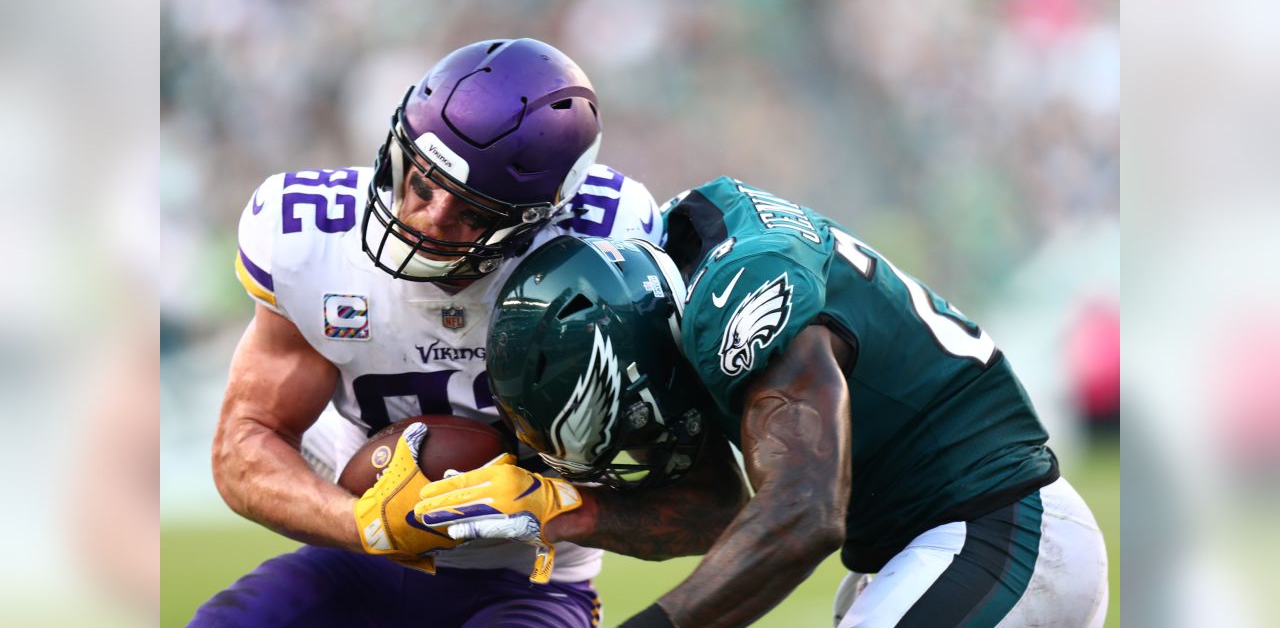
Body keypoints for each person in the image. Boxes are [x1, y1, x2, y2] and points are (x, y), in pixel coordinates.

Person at [192, 39, 747, 627]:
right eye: (422, 183)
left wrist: (561, 507)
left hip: (531, 584)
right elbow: (243, 448)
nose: (429, 220)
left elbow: (709, 508)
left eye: (473, 213)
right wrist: (368, 525)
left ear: (540, 217)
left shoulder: (600, 263)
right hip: (354, 560)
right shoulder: (308, 238)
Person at [412, 177, 1111, 627]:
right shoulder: (683, 262)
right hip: (921, 550)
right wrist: (552, 507)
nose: (642, 443)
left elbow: (802, 514)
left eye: (628, 422)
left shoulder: (738, 299)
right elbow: (721, 511)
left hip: (999, 535)